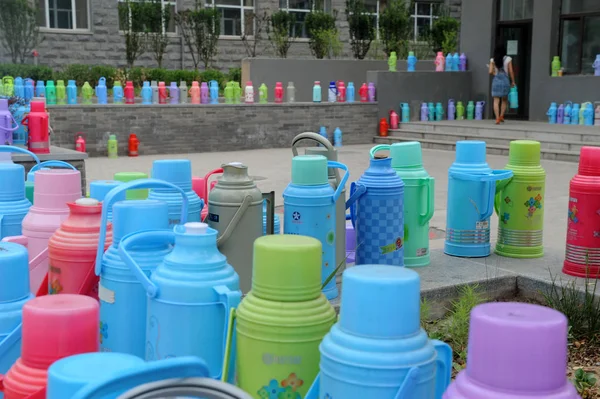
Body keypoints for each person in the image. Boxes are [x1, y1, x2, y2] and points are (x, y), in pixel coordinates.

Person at [489, 44, 516, 124]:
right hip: (505, 81)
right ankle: (501, 116)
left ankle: (497, 118)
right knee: (504, 99)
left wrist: (495, 73)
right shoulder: (508, 59)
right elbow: (511, 71)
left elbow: (490, 72)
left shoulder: (492, 60)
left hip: (496, 81)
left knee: (496, 100)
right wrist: (513, 81)